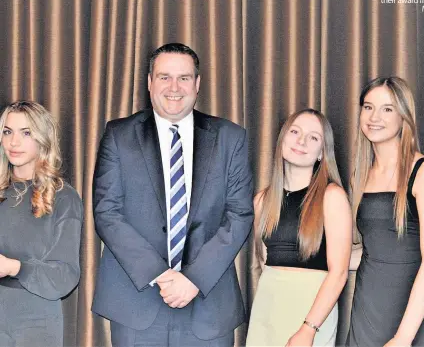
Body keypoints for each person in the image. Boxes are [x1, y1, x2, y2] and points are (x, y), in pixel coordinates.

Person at [92, 42, 254, 347]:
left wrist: (194, 278)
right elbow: (107, 213)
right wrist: (160, 275)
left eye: (184, 78)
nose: (174, 87)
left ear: (197, 83)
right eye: (164, 77)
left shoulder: (230, 138)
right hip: (136, 304)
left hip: (208, 304)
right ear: (150, 82)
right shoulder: (118, 135)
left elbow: (239, 214)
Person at [346, 77, 424, 347]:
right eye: (368, 107)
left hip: (414, 313)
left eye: (387, 109)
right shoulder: (360, 177)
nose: (374, 117)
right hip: (368, 309)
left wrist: (402, 338)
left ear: (403, 116)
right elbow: (374, 249)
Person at [246, 109, 352, 347]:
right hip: (267, 309)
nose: (301, 141)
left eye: (313, 137)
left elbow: (339, 273)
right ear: (282, 138)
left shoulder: (331, 196)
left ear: (321, 153)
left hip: (310, 313)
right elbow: (264, 262)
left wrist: (309, 329)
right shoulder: (262, 201)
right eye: (295, 132)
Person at [0, 101, 83, 346]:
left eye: (26, 133)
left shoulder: (63, 197)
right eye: (7, 131)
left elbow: (66, 275)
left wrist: (15, 267)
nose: (14, 142)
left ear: (43, 138)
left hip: (34, 320)